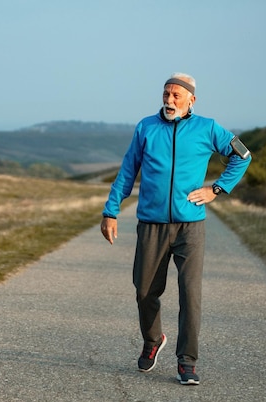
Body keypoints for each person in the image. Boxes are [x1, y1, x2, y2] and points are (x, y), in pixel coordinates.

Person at [100, 72, 251, 385]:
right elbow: (128, 171)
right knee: (144, 291)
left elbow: (243, 156)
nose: (169, 101)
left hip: (190, 226)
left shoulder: (208, 128)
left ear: (191, 100)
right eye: (166, 94)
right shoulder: (146, 127)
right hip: (151, 225)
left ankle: (187, 362)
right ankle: (153, 339)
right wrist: (110, 211)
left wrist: (217, 189)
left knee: (190, 295)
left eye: (176, 96)